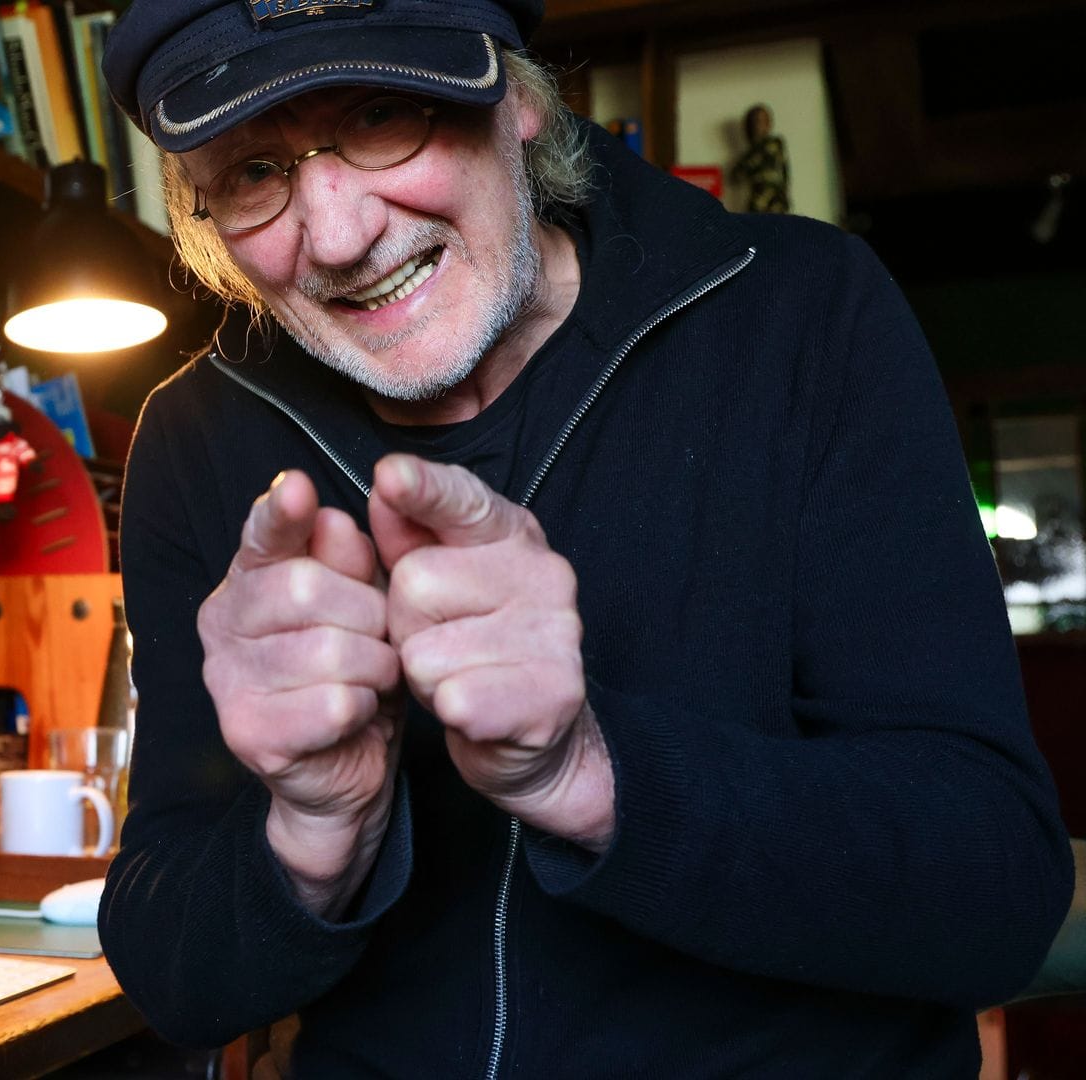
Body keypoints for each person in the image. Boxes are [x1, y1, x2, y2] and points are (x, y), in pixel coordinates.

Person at [95, 1, 1074, 1076]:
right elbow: (175, 980)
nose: (336, 238)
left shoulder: (806, 314)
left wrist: (590, 773)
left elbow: (996, 896)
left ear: (516, 97)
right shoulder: (196, 438)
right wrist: (312, 831)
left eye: (380, 115)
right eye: (252, 173)